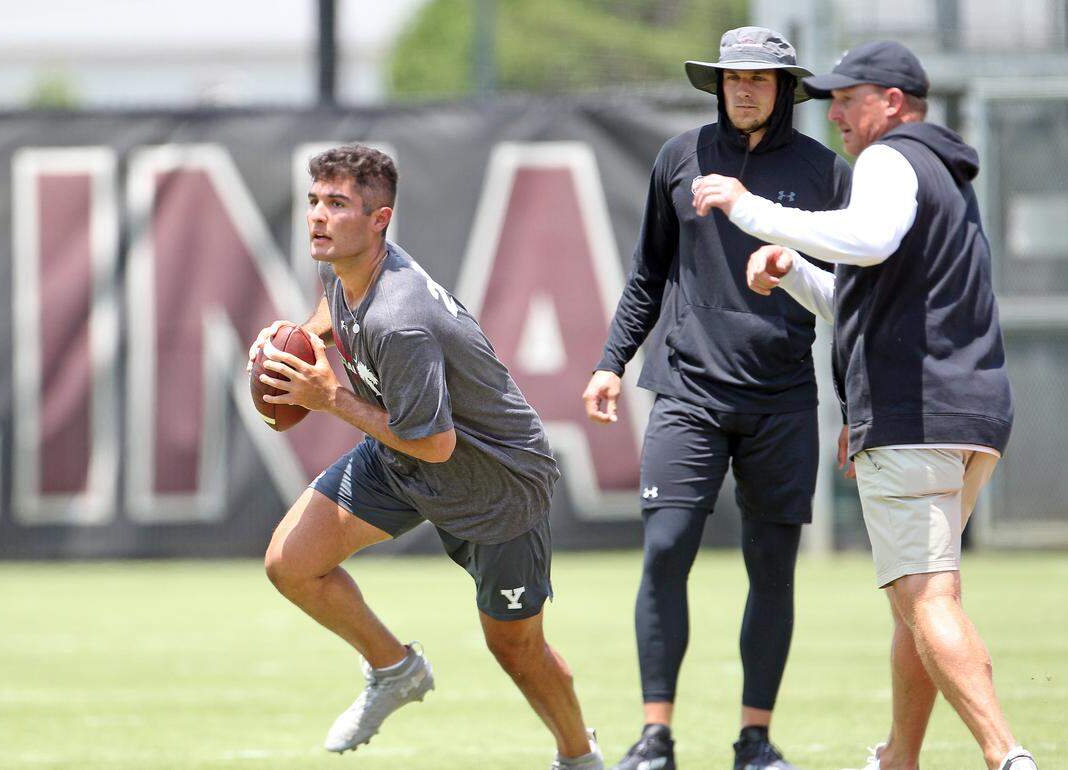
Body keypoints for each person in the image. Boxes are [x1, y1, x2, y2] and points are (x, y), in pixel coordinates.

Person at [693, 40, 1039, 770]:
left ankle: (1006, 756)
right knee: (914, 601)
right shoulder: (941, 171)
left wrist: (752, 210)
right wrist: (793, 273)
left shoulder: (890, 160)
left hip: (917, 413)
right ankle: (901, 757)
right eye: (834, 101)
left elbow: (870, 241)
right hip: (970, 414)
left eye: (851, 99)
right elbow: (863, 293)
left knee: (926, 598)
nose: (838, 115)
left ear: (894, 102)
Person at [250, 144, 602, 769]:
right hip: (403, 458)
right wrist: (298, 342)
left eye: (338, 204)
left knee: (516, 649)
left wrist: (327, 397)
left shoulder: (401, 320)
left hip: (497, 488)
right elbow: (332, 311)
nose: (318, 218)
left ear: (380, 219)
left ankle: (580, 757)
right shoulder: (343, 267)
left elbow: (437, 444)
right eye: (314, 202)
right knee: (291, 563)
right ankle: (395, 669)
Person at [582, 27, 851, 770]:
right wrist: (610, 364)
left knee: (772, 567)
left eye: (760, 78)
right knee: (665, 552)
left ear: (786, 87)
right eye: (733, 78)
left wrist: (853, 409)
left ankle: (755, 741)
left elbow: (852, 303)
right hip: (687, 394)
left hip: (784, 400)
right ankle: (655, 737)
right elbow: (647, 274)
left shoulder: (827, 174)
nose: (743, 90)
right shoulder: (680, 158)